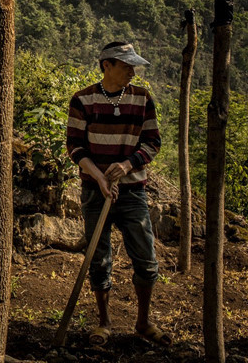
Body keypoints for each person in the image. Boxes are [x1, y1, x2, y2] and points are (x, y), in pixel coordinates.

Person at [65, 41, 172, 347]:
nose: (132, 71)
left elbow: (152, 142)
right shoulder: (83, 99)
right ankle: (104, 322)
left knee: (146, 259)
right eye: (126, 66)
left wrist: (126, 165)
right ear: (107, 65)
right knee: (98, 259)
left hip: (133, 191)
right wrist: (99, 177)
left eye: (133, 66)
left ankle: (143, 321)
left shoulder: (142, 99)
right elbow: (75, 145)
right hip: (95, 191)